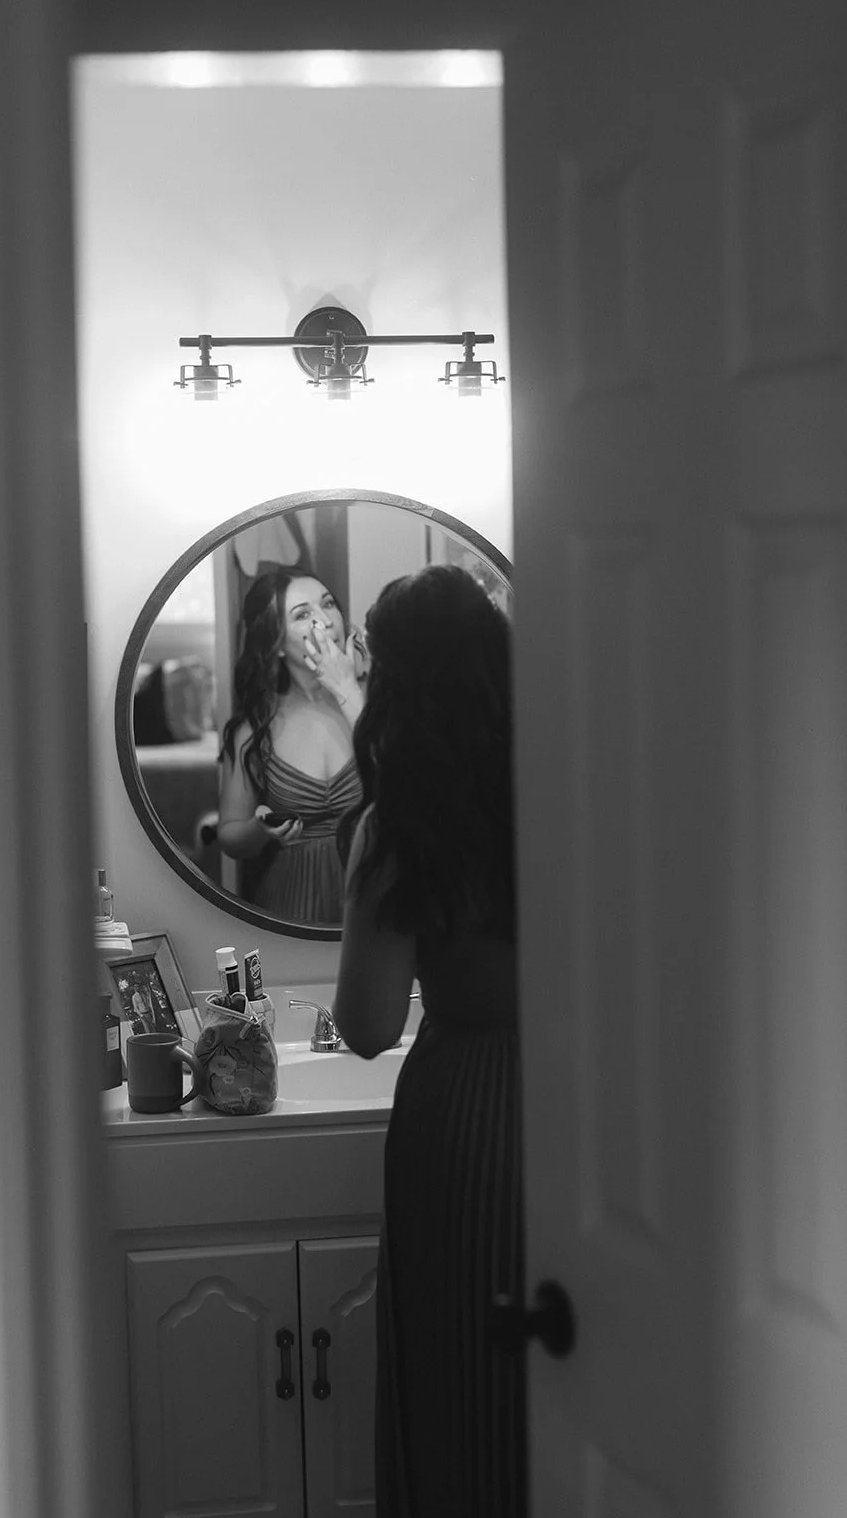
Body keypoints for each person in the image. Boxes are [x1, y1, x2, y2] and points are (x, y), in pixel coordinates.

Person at [333, 564, 524, 1518]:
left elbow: (367, 1026)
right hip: (577, 1101)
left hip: (462, 1119)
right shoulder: (566, 788)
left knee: (455, 1367)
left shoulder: (399, 825)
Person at [217, 568, 366, 924]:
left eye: (328, 604)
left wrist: (349, 689)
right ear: (278, 643)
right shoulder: (255, 728)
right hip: (294, 901)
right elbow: (230, 835)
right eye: (303, 614)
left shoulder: (380, 702)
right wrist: (259, 831)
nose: (325, 620)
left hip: (373, 890)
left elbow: (408, 790)